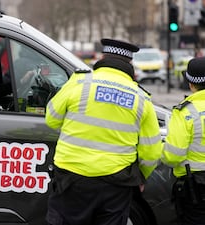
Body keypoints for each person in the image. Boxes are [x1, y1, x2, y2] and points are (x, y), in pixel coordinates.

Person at [45, 38, 162, 225]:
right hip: (116, 183)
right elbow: (152, 151)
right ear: (129, 64)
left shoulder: (80, 82)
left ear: (102, 57)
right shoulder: (141, 98)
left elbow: (51, 118)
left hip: (72, 176)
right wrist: (141, 176)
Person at [161, 57, 205, 225]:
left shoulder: (185, 112)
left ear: (190, 84)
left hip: (196, 188)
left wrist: (161, 148)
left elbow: (173, 156)